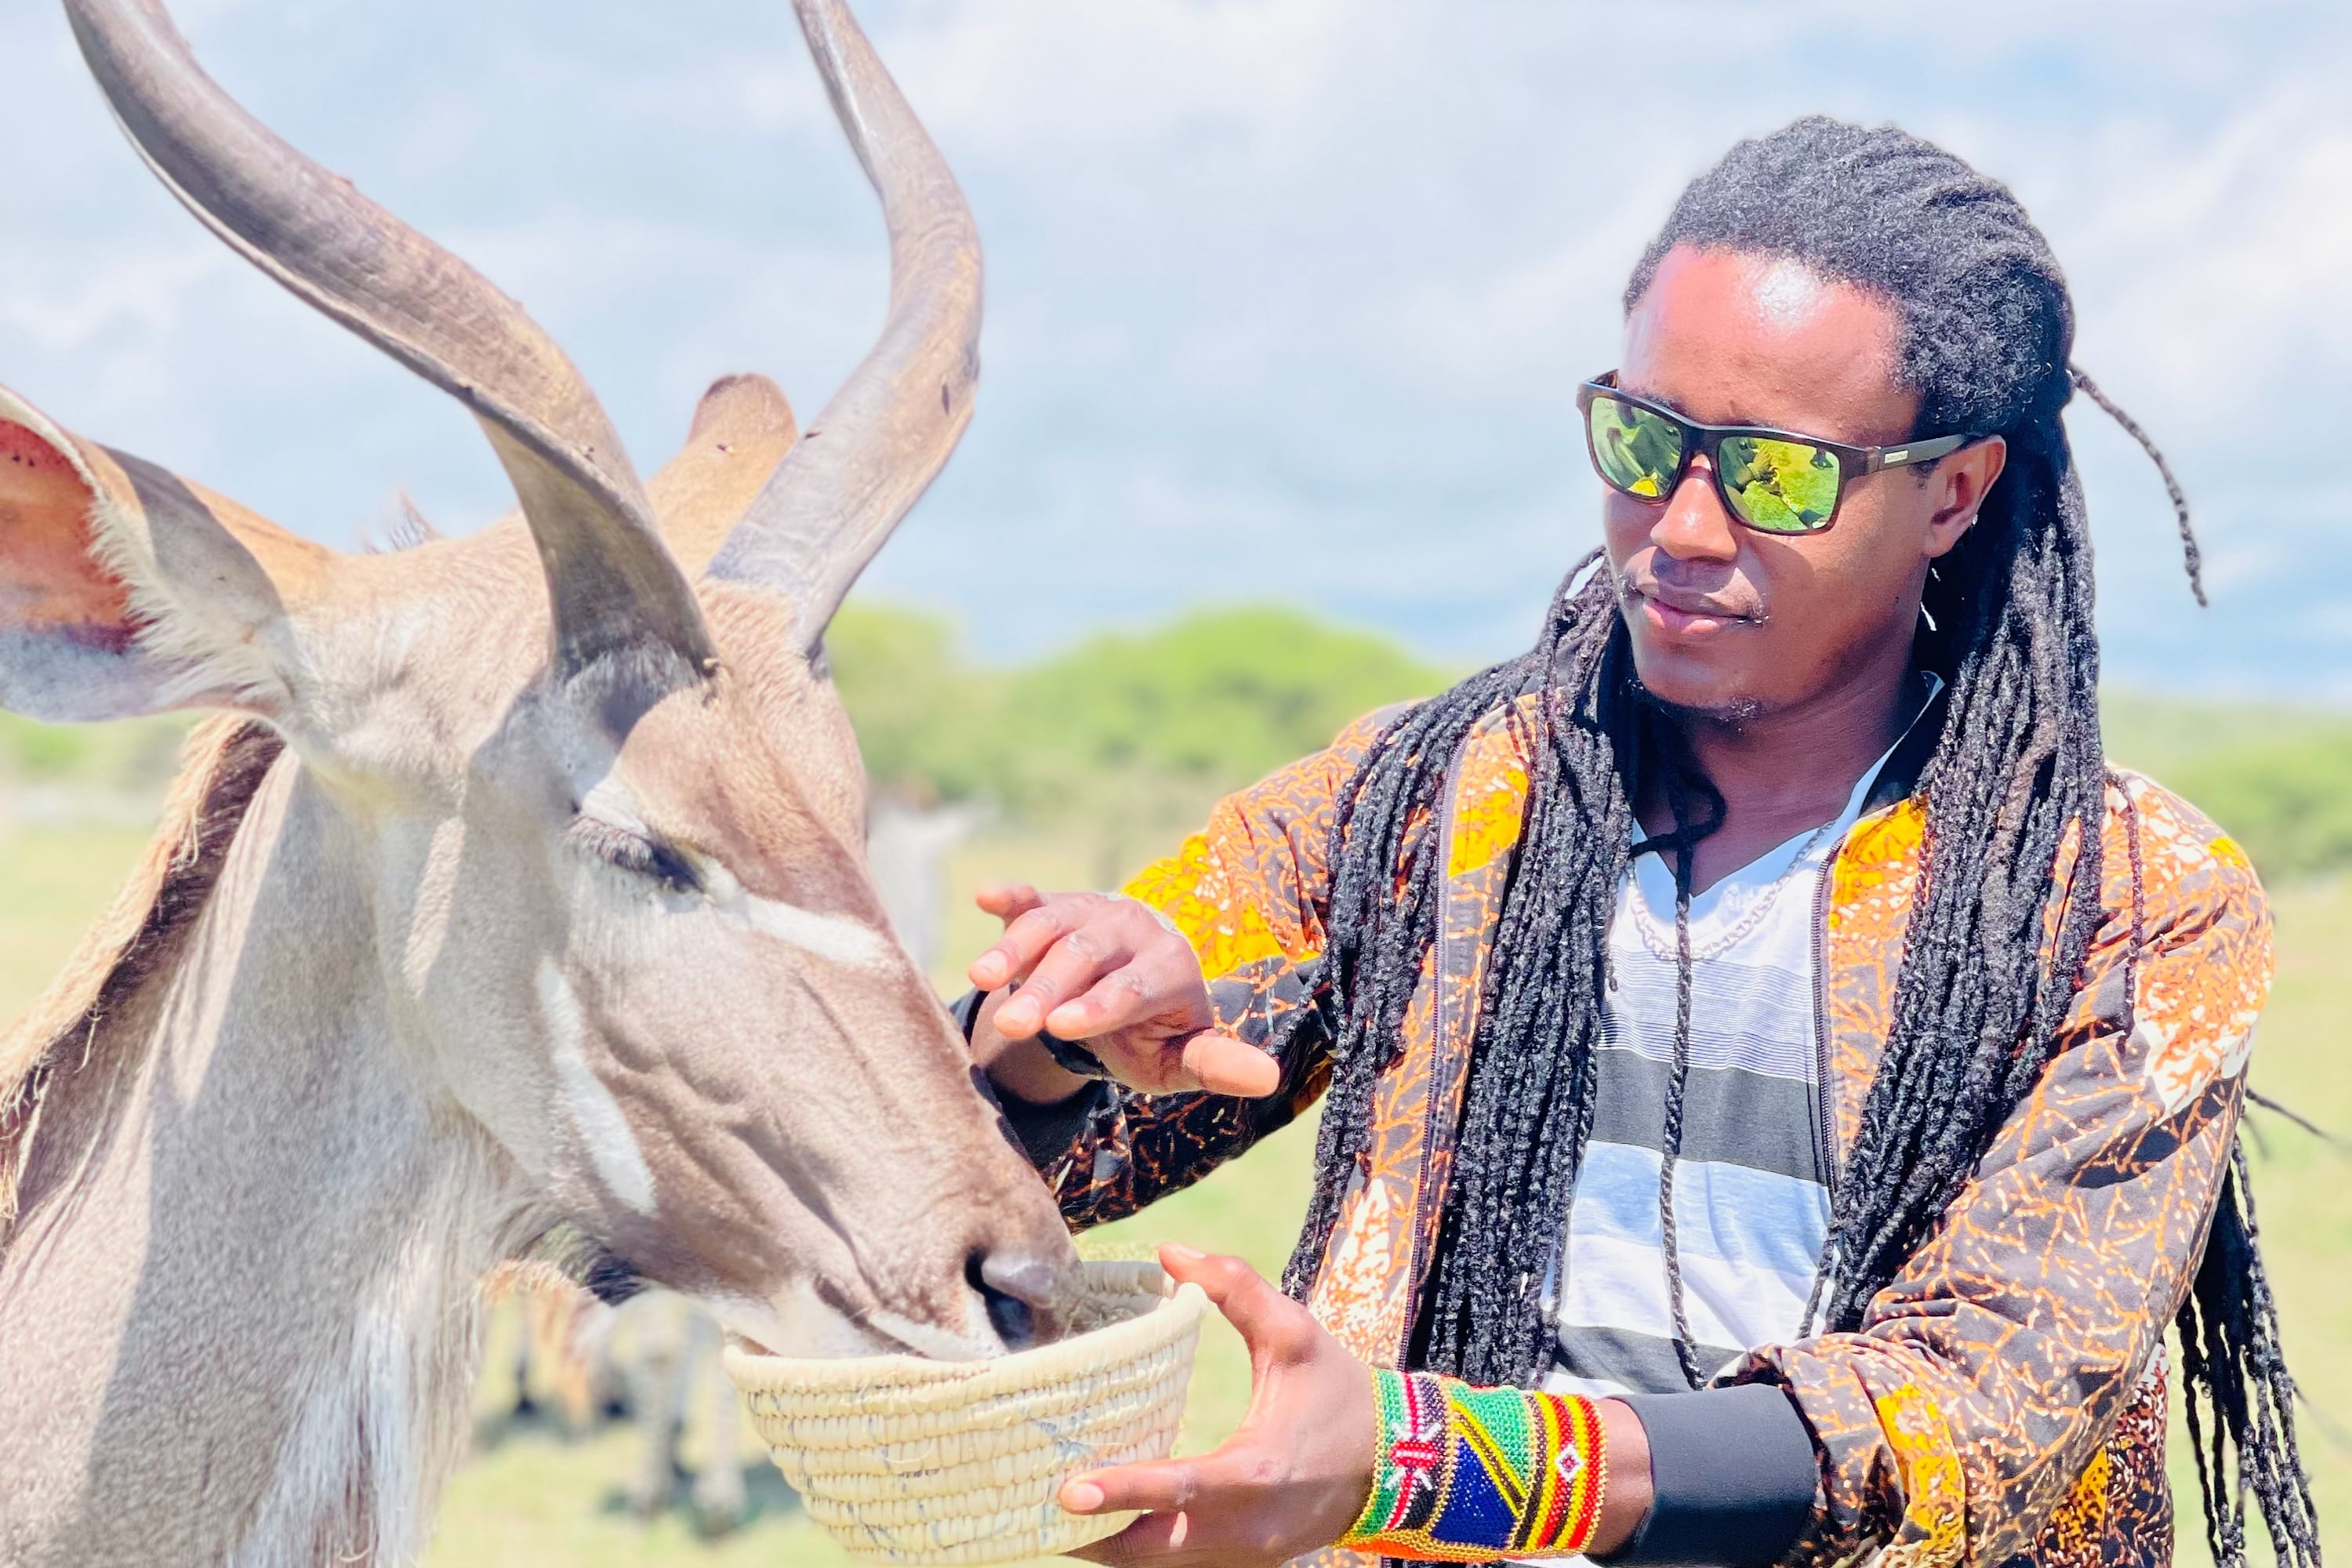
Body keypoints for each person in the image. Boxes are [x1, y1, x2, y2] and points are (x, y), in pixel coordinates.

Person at [960, 118, 2318, 1568]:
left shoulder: (2126, 903)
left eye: (1778, 476)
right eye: (1643, 439)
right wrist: (1055, 1039)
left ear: (1955, 490)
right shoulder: (1432, 800)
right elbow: (1003, 1170)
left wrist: (1425, 1469)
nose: (1679, 524)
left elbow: (1969, 1414)